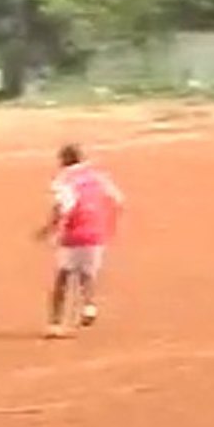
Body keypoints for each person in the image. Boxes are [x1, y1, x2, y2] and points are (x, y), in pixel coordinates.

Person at [35, 143, 126, 339]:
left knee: (63, 278)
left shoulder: (64, 180)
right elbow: (117, 200)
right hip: (97, 232)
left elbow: (64, 206)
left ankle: (56, 323)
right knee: (88, 274)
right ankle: (89, 306)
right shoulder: (98, 176)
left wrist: (48, 229)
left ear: (63, 160)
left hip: (75, 233)